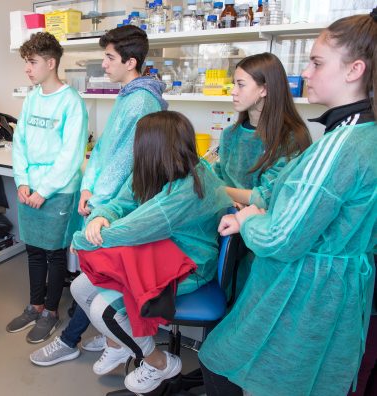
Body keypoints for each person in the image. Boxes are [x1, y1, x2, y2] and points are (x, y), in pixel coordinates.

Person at [198, 11, 377, 396]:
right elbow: (290, 192)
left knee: (232, 368)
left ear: (354, 70)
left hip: (306, 289)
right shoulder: (355, 134)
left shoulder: (341, 146)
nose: (306, 74)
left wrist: (249, 221)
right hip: (332, 284)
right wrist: (255, 209)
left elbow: (280, 238)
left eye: (315, 63)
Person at [29, 25, 168, 367]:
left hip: (118, 206)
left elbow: (125, 162)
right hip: (104, 198)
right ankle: (109, 337)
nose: (103, 65)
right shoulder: (128, 95)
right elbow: (105, 149)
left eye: (109, 57)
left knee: (97, 278)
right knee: (96, 278)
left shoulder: (141, 101)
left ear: (130, 61)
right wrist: (89, 184)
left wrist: (99, 202)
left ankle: (71, 340)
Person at [71, 111, 230, 394]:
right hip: (157, 251)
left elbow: (133, 229)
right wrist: (100, 216)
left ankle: (159, 362)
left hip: (188, 266)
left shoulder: (186, 190)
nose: (135, 147)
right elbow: (121, 203)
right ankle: (119, 343)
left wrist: (83, 239)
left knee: (104, 311)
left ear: (152, 146)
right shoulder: (155, 169)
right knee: (80, 287)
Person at [7, 32, 88, 344]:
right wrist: (23, 182)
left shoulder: (71, 103)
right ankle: (35, 304)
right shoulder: (31, 99)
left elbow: (71, 155)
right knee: (33, 250)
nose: (27, 68)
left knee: (54, 253)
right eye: (26, 62)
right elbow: (20, 145)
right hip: (31, 188)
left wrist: (44, 190)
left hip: (58, 191)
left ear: (51, 63)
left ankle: (51, 311)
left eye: (32, 62)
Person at [214, 52, 311, 210]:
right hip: (226, 218)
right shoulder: (230, 134)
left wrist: (221, 192)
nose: (233, 91)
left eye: (241, 84)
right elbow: (216, 177)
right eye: (234, 84)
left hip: (263, 227)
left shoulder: (292, 138)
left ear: (264, 89)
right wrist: (226, 197)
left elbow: (268, 196)